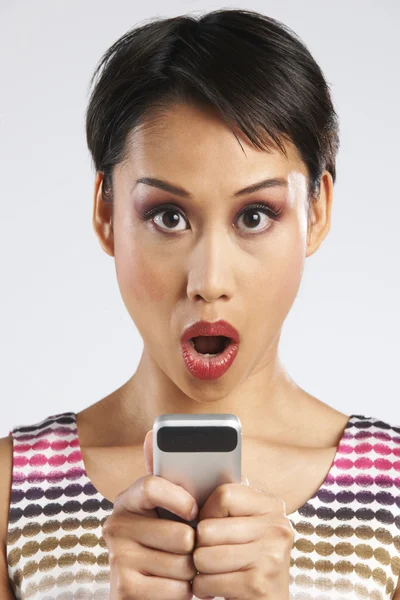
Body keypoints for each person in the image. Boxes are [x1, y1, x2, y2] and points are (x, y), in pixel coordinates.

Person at [0, 7, 399, 600]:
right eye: (168, 216)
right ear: (107, 215)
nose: (208, 281)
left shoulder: (392, 496)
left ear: (316, 213)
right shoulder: (12, 491)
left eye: (255, 215)